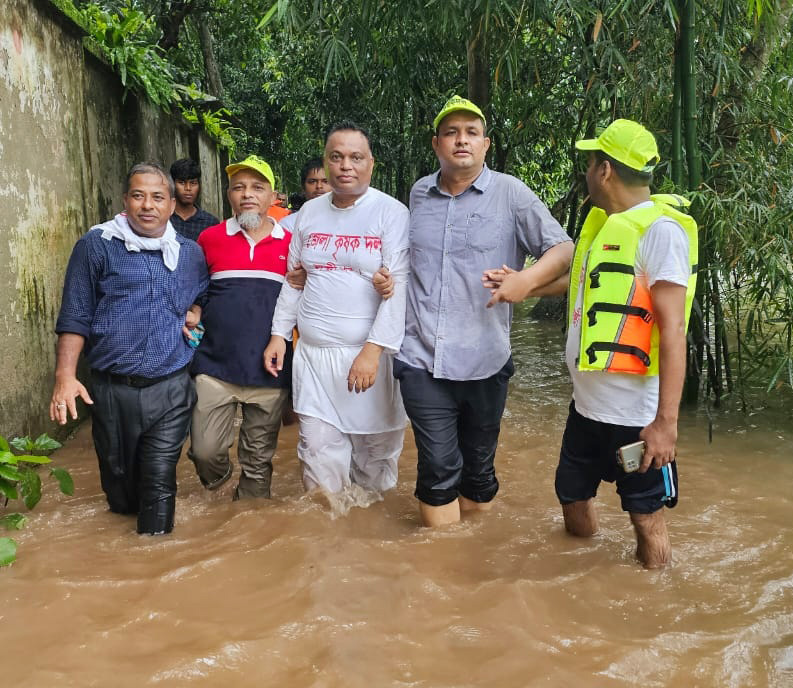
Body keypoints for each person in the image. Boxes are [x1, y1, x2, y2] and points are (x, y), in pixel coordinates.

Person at [488, 119, 697, 568]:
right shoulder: (604, 225)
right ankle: (581, 572)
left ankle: (654, 597)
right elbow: (580, 283)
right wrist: (523, 284)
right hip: (586, 410)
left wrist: (666, 425)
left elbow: (673, 330)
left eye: (589, 163)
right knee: (572, 497)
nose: (586, 172)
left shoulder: (660, 233)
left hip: (634, 418)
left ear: (604, 171)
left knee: (646, 518)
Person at [396, 95, 574, 527]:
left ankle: (473, 564)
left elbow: (564, 249)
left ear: (486, 145)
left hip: (484, 360)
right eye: (452, 133)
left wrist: (525, 283)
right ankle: (440, 575)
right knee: (437, 469)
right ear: (437, 144)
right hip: (421, 359)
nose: (462, 140)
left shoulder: (510, 193)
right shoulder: (419, 193)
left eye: (471, 133)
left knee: (477, 475)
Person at [50, 162, 209, 535]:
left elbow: (203, 294)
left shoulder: (190, 254)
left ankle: (153, 565)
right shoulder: (96, 246)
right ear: (125, 201)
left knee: (158, 481)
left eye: (157, 197)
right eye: (138, 196)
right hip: (111, 390)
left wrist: (195, 313)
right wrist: (65, 377)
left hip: (171, 387)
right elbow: (75, 314)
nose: (147, 205)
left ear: (172, 204)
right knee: (120, 493)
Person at [264, 122, 409, 494]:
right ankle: (328, 539)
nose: (346, 165)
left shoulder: (391, 213)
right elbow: (294, 280)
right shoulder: (307, 215)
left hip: (370, 359)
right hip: (313, 358)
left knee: (374, 460)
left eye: (356, 157)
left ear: (371, 164)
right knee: (315, 454)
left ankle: (368, 538)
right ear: (326, 163)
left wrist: (373, 351)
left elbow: (400, 287)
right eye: (337, 157)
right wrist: (279, 335)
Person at [187, 155, 293, 499]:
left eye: (257, 187)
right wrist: (193, 311)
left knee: (258, 463)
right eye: (239, 187)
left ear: (272, 196)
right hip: (214, 366)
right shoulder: (209, 239)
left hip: (269, 371)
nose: (248, 194)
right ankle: (220, 486)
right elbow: (194, 292)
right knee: (205, 452)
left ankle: (249, 526)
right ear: (229, 195)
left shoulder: (292, 244)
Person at [168, 158, 219, 242]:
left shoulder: (210, 223)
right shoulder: (164, 218)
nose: (188, 188)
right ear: (172, 184)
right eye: (182, 183)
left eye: (193, 183)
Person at [281, 158, 329, 234]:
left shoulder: (349, 221)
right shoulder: (289, 225)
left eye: (326, 181)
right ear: (303, 188)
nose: (319, 186)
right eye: (312, 181)